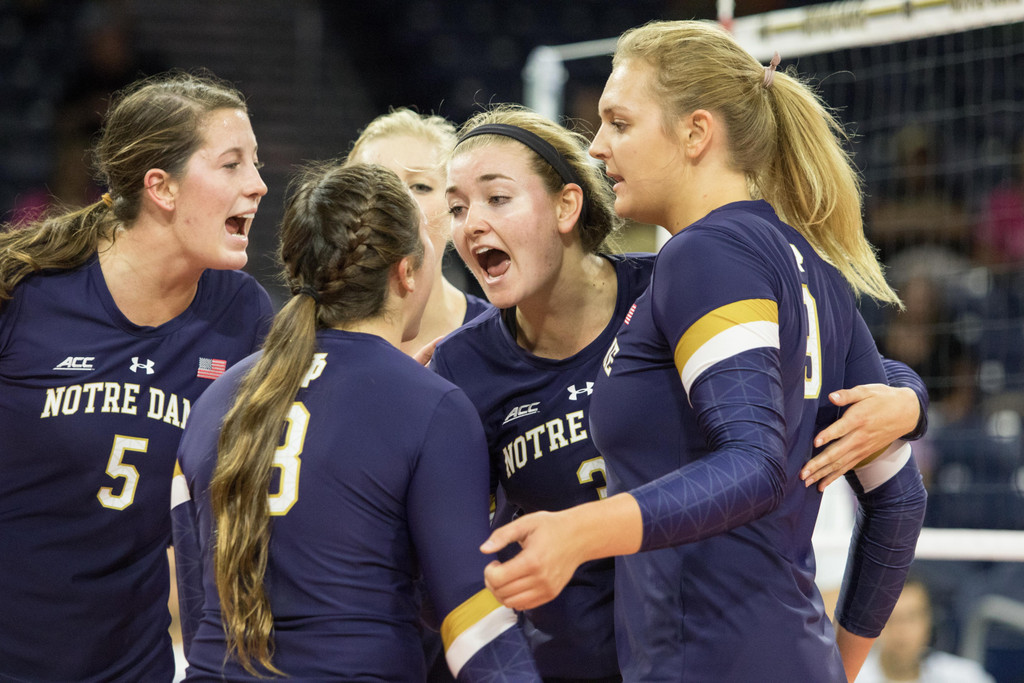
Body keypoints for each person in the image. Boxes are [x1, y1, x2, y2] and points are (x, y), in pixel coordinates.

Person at [478, 20, 929, 683]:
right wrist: (840, 661)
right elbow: (899, 500)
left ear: (695, 133)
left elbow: (754, 464)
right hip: (785, 654)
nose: (598, 145)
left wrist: (579, 532)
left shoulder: (705, 252)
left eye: (619, 122)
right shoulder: (811, 268)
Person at [171, 162, 540, 681]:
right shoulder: (429, 405)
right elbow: (470, 619)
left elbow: (195, 605)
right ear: (406, 273)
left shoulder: (212, 401)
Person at [0, 70, 272, 682]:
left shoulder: (244, 314)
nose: (257, 185)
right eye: (231, 164)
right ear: (161, 188)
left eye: (254, 164)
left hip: (135, 665)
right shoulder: (23, 295)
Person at [345, 108, 491, 356]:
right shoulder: (308, 332)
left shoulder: (498, 336)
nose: (398, 202)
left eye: (420, 186)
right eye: (378, 184)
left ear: (456, 208)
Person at [856, 577, 996, 683]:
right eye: (889, 619)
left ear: (929, 621)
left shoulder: (965, 677)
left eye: (911, 618)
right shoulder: (847, 677)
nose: (901, 630)